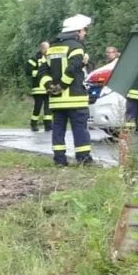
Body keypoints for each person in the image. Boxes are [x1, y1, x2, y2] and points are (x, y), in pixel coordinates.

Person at [40, 14, 94, 166]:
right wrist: (62, 86)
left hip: (57, 101)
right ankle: (84, 159)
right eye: (84, 30)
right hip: (75, 98)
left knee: (58, 130)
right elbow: (72, 68)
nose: (85, 34)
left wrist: (50, 86)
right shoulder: (77, 47)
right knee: (80, 130)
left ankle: (59, 160)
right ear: (77, 31)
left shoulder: (51, 49)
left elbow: (42, 72)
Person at [27, 42, 51, 132]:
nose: (48, 50)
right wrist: (40, 73)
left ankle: (48, 126)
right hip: (38, 88)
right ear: (42, 49)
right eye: (46, 49)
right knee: (38, 107)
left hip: (48, 87)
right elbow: (28, 71)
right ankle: (33, 124)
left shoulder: (50, 58)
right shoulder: (34, 59)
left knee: (48, 108)